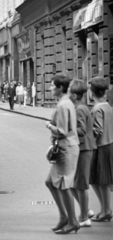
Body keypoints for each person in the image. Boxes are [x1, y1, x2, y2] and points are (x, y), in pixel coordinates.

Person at [45, 75, 80, 234]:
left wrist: (49, 125)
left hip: (66, 148)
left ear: (60, 88)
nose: (50, 88)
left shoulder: (63, 104)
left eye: (52, 86)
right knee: (50, 182)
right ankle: (64, 217)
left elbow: (63, 131)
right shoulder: (65, 102)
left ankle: (72, 221)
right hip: (65, 148)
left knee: (65, 185)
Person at [68, 79, 95, 227]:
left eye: (69, 91)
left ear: (74, 94)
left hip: (84, 149)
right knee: (73, 184)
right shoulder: (81, 107)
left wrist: (65, 129)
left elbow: (81, 130)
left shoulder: (79, 109)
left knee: (81, 184)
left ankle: (84, 217)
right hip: (83, 148)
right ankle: (87, 210)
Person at [89, 76, 113, 222]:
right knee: (98, 180)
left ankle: (106, 210)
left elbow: (97, 130)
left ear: (92, 92)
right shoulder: (108, 106)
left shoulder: (97, 109)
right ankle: (105, 209)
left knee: (99, 180)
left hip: (100, 147)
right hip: (108, 145)